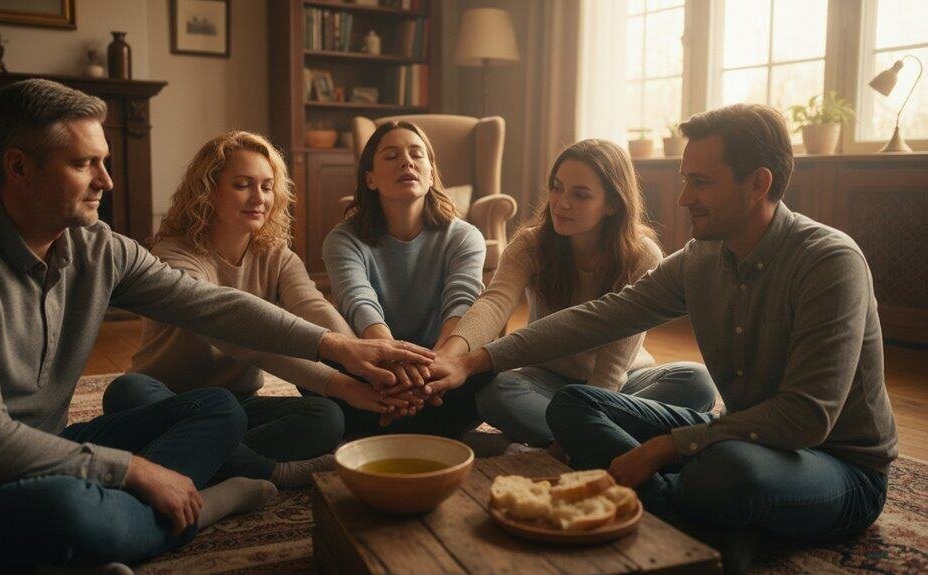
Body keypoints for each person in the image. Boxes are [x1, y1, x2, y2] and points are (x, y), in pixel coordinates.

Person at [0, 79, 433, 572]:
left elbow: (215, 307)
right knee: (74, 513)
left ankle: (98, 534)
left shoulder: (98, 247)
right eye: (84, 164)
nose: (106, 181)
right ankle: (204, 506)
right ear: (19, 167)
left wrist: (340, 348)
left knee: (216, 408)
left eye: (105, 161)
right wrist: (136, 470)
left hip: (55, 446)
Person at [426, 104, 897, 569]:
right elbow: (601, 317)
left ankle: (683, 510)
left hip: (836, 465)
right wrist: (474, 359)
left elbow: (807, 418)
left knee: (724, 469)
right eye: (686, 178)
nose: (683, 197)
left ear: (758, 184)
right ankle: (705, 522)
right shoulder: (701, 257)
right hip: (743, 439)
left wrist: (666, 447)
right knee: (574, 404)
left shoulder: (829, 262)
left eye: (701, 182)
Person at [104, 131, 412, 489]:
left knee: (325, 416)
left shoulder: (277, 255)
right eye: (242, 185)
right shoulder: (173, 257)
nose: (258, 198)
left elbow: (312, 307)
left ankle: (191, 461)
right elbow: (239, 336)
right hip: (169, 401)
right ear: (208, 190)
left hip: (237, 408)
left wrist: (366, 365)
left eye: (267, 187)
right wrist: (340, 382)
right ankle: (268, 472)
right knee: (126, 392)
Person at [437, 139, 716, 449]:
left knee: (696, 381)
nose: (561, 203)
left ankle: (568, 445)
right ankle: (608, 444)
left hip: (622, 384)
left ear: (612, 203)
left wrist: (585, 416)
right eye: (557, 188)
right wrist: (449, 354)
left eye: (580, 195)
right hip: (546, 380)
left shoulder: (642, 255)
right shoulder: (531, 244)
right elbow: (493, 302)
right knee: (498, 392)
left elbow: (612, 367)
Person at [322, 120, 488, 437]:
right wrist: (394, 365)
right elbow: (359, 303)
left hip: (439, 363)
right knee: (318, 367)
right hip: (373, 366)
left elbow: (461, 303)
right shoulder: (342, 239)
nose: (407, 162)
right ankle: (424, 425)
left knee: (490, 364)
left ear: (430, 172)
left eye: (416, 154)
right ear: (370, 179)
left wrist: (439, 366)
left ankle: (389, 422)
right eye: (391, 156)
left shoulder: (465, 237)